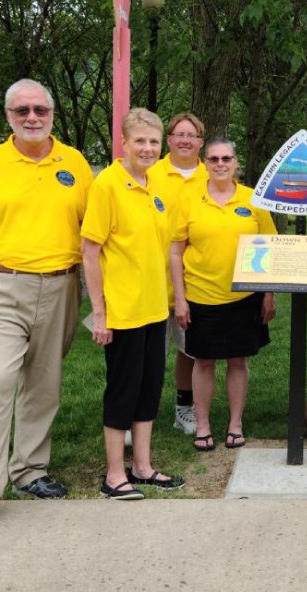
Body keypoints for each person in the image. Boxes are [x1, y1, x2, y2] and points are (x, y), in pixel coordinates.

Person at [0, 79, 93, 542]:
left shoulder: (74, 163)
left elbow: (93, 231)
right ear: (8, 116)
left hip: (60, 286)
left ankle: (30, 470)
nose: (32, 117)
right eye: (21, 110)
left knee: (44, 383)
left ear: (52, 113)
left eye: (40, 110)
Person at [81, 108, 184, 500]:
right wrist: (101, 313)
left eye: (154, 141)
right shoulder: (107, 185)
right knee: (122, 391)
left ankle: (142, 466)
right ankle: (113, 475)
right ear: (123, 143)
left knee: (148, 388)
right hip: (122, 312)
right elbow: (90, 252)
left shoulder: (156, 186)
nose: (147, 148)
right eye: (139, 141)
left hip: (154, 309)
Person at [170, 139, 277, 452]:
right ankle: (202, 425)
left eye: (226, 158)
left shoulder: (253, 199)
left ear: (235, 162)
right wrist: (180, 298)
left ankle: (235, 424)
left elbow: (269, 246)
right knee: (203, 362)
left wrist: (268, 293)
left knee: (238, 361)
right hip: (201, 295)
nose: (220, 164)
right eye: (214, 158)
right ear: (205, 162)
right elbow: (176, 252)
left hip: (244, 296)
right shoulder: (189, 198)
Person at [147, 112, 208, 436]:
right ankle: (135, 411)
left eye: (192, 135)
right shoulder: (151, 173)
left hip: (193, 282)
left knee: (190, 351)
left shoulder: (211, 176)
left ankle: (184, 409)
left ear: (201, 141)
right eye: (178, 134)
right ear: (168, 139)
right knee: (145, 352)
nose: (185, 140)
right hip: (151, 278)